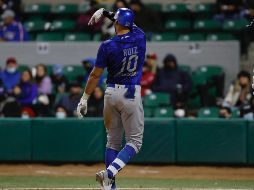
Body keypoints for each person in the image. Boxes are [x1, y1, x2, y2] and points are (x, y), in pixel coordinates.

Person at [76, 8, 146, 189]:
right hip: (131, 92)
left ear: (116, 23)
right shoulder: (140, 37)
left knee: (113, 141)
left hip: (111, 92)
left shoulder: (107, 45)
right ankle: (109, 173)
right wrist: (107, 13)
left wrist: (84, 99)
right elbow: (129, 24)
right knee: (135, 142)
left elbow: (94, 75)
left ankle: (110, 185)